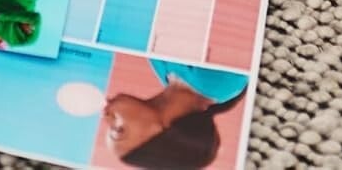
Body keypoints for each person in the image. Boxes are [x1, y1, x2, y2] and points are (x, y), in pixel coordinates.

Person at [102, 60, 249, 168]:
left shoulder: (162, 70)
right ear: (163, 133)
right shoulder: (222, 81)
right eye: (118, 130)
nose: (106, 116)